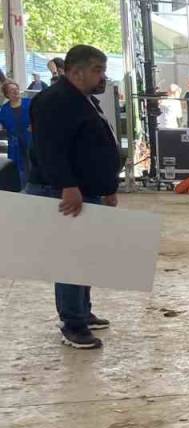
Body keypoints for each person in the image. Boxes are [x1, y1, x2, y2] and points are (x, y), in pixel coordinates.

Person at [26, 45, 121, 350]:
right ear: (75, 71)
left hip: (87, 190)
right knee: (70, 258)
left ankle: (82, 310)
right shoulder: (54, 101)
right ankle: (73, 323)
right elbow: (49, 149)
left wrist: (107, 187)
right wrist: (67, 185)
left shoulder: (83, 99)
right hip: (66, 192)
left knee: (85, 255)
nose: (102, 76)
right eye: (97, 70)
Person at [0, 81, 33, 188]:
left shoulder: (29, 102)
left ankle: (34, 186)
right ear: (7, 95)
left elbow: (41, 116)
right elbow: (3, 124)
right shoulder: (4, 109)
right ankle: (22, 188)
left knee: (33, 164)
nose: (15, 92)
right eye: (11, 90)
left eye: (16, 89)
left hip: (31, 139)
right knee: (19, 168)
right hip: (15, 143)